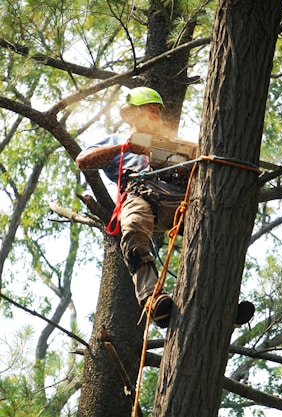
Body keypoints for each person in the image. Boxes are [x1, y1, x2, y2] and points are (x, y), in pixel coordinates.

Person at [76, 86, 255, 328]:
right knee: (133, 226)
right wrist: (126, 147)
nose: (156, 115)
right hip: (140, 195)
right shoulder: (117, 141)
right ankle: (152, 299)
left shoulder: (173, 143)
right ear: (132, 114)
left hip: (179, 198)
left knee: (215, 229)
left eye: (158, 111)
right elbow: (83, 161)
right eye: (150, 110)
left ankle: (222, 301)